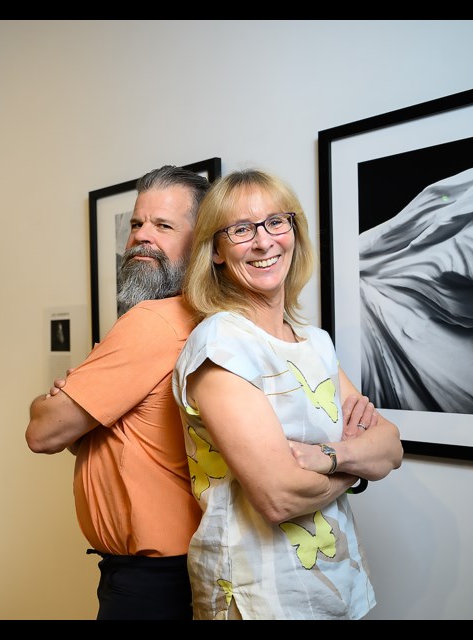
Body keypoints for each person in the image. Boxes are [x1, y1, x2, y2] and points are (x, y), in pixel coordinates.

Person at [172, 168, 404, 620]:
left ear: (293, 231)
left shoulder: (313, 342)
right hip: (258, 594)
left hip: (338, 583)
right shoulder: (220, 344)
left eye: (277, 222)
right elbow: (278, 497)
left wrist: (325, 456)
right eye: (240, 230)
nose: (263, 242)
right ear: (215, 252)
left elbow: (391, 446)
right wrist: (355, 466)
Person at [25, 164, 210, 619]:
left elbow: (43, 432)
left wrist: (56, 402)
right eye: (135, 223)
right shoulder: (203, 320)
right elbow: (115, 439)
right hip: (177, 571)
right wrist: (79, 420)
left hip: (152, 583)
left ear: (201, 242)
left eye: (163, 225)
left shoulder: (152, 322)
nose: (141, 236)